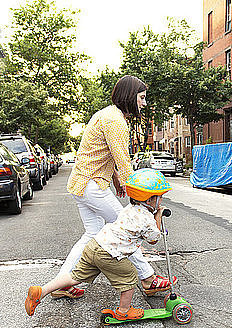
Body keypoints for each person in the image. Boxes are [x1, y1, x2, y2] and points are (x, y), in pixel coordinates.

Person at [51, 75, 176, 300]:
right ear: (130, 97)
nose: (144, 103)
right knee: (128, 227)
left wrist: (117, 180)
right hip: (92, 185)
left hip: (82, 183)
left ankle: (62, 281)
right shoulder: (116, 121)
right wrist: (140, 195)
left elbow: (104, 154)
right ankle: (148, 278)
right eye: (142, 98)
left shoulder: (106, 114)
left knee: (91, 234)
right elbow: (123, 161)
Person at [25, 169, 172, 320]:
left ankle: (41, 291)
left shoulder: (130, 209)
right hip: (108, 254)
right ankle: (124, 310)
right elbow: (154, 238)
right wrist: (159, 215)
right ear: (149, 201)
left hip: (94, 245)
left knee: (75, 276)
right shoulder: (147, 219)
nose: (161, 201)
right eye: (159, 198)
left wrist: (154, 214)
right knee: (129, 275)